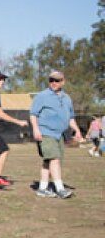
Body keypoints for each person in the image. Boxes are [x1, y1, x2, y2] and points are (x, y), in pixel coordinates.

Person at [30, 70, 83, 199]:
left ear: (63, 82)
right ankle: (60, 189)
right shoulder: (42, 96)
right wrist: (36, 129)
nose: (54, 83)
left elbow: (70, 118)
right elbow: (33, 114)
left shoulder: (67, 98)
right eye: (51, 80)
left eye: (57, 80)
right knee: (54, 159)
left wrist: (77, 130)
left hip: (59, 134)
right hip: (46, 132)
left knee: (48, 161)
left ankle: (42, 189)